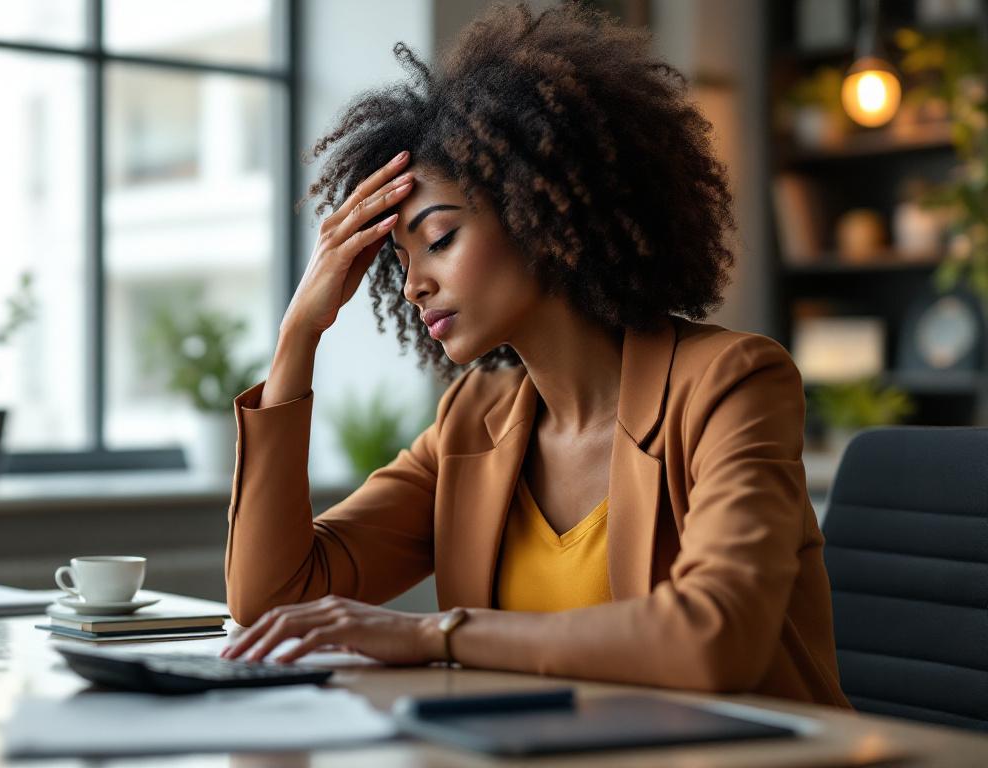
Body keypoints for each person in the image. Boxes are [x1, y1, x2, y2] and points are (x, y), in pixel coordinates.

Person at [218, 3, 850, 707]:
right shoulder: (472, 420)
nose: (415, 282)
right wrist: (298, 336)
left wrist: (437, 634)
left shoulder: (731, 384)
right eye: (400, 259)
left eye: (440, 238)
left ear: (538, 216)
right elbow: (272, 597)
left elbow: (716, 637)